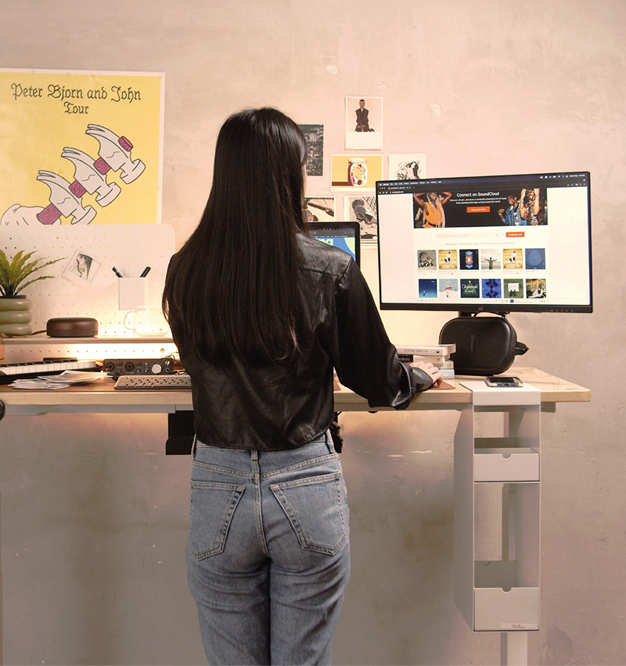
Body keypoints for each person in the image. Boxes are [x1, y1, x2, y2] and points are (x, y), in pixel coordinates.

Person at [162, 108, 443, 665]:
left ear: (225, 176)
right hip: (305, 483)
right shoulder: (331, 269)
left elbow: (197, 361)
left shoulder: (184, 269)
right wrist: (419, 376)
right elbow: (376, 381)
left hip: (218, 483)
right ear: (291, 175)